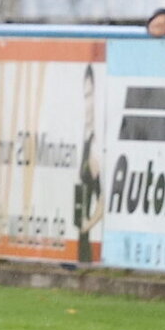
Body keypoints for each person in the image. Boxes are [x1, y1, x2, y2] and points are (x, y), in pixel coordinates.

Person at [74, 64, 103, 264]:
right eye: (85, 96)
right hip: (80, 233)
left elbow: (103, 201)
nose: (87, 103)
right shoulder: (85, 140)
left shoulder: (94, 147)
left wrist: (88, 224)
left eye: (90, 95)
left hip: (85, 233)